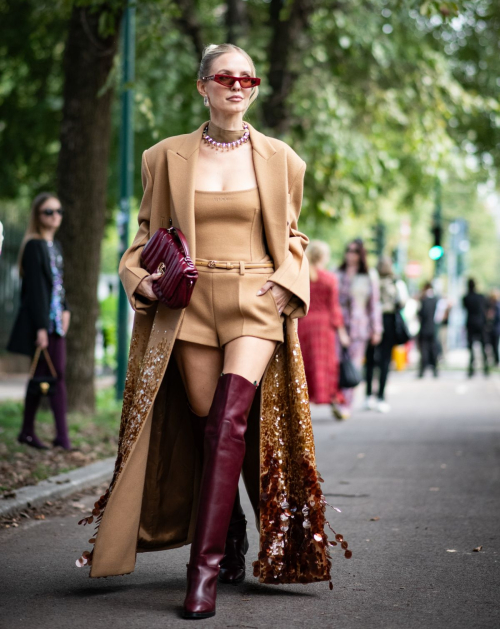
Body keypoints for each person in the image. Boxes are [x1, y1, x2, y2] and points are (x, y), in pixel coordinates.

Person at [78, 44, 331, 619]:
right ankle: (234, 527)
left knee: (228, 422)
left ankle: (204, 573)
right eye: (225, 77)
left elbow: (294, 237)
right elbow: (146, 235)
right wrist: (136, 278)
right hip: (188, 306)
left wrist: (288, 283)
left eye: (248, 78)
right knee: (204, 425)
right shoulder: (164, 157)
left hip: (254, 300)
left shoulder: (281, 159)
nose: (237, 86)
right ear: (203, 86)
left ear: (255, 88)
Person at [7, 193, 71, 449]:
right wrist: (42, 328)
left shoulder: (55, 247)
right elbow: (35, 291)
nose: (55, 216)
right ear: (38, 215)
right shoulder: (34, 246)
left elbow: (57, 286)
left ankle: (27, 432)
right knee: (56, 377)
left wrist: (66, 310)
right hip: (44, 325)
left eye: (58, 211)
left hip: (57, 321)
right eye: (48, 212)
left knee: (41, 377)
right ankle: (62, 438)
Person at [335, 238, 382, 420]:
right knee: (336, 362)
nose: (350, 254)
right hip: (338, 324)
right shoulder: (337, 273)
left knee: (353, 365)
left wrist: (376, 329)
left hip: (359, 326)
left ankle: (346, 404)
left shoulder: (369, 275)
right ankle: (337, 398)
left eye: (355, 251)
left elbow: (374, 304)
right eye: (349, 250)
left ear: (360, 254)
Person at [298, 240, 349, 405]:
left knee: (304, 362)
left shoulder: (301, 276)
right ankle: (329, 395)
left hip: (303, 324)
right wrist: (342, 332)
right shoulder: (330, 278)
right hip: (323, 327)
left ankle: (303, 400)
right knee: (325, 363)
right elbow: (334, 308)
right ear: (323, 257)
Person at [364, 257, 407, 413]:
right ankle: (379, 397)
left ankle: (371, 395)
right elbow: (402, 302)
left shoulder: (372, 279)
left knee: (373, 359)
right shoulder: (395, 282)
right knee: (382, 360)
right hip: (386, 321)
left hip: (378, 321)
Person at [463, 278, 488, 377]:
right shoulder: (481, 297)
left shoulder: (466, 297)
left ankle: (471, 369)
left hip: (471, 323)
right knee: (483, 346)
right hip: (480, 323)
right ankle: (485, 368)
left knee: (471, 347)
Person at [417, 282, 439, 377]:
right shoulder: (436, 300)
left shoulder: (423, 300)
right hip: (433, 328)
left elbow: (420, 314)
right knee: (433, 349)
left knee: (424, 350)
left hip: (424, 328)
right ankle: (435, 369)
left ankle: (423, 370)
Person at [485, 290, 500, 366]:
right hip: (490, 328)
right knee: (489, 345)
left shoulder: (497, 306)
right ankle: (491, 360)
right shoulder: (489, 306)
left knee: (495, 345)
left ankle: (496, 361)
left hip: (495, 328)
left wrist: (492, 316)